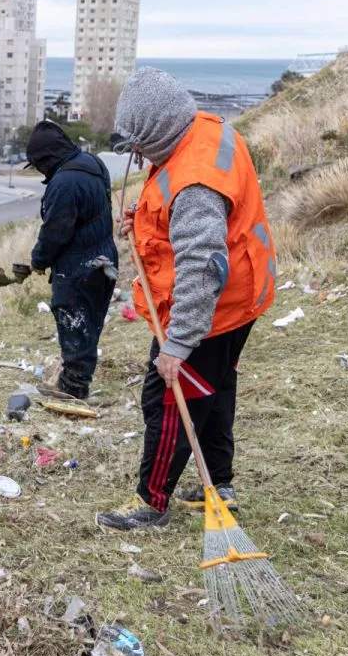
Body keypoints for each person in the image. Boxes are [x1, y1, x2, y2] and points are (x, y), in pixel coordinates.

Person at [96, 68, 276, 531]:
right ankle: (220, 483)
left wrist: (178, 344)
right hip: (243, 294)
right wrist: (142, 219)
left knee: (169, 400)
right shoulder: (201, 132)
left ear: (160, 130)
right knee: (213, 389)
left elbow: (201, 265)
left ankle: (151, 502)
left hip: (212, 306)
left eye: (139, 146)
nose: (137, 157)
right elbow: (178, 206)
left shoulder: (195, 183)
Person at [25, 120, 118, 400]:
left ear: (47, 158)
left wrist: (38, 260)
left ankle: (73, 390)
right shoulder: (92, 163)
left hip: (79, 267)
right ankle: (75, 381)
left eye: (39, 164)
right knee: (89, 324)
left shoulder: (65, 182)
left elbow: (55, 230)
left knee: (74, 324)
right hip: (104, 259)